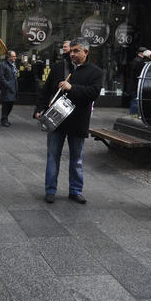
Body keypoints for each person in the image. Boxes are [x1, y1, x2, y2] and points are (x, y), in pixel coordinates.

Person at [34, 38, 103, 204]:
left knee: (77, 159)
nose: (72, 54)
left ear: (86, 52)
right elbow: (46, 90)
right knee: (52, 156)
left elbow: (92, 94)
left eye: (76, 51)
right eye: (71, 51)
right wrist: (39, 109)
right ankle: (50, 190)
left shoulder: (95, 72)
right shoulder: (59, 67)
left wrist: (72, 88)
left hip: (78, 121)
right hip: (56, 119)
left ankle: (75, 190)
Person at [0, 50, 19, 126]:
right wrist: (7, 85)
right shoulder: (3, 65)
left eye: (15, 56)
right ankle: (4, 120)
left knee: (11, 104)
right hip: (6, 89)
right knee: (6, 105)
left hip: (13, 87)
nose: (15, 58)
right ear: (8, 57)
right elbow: (1, 77)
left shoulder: (13, 64)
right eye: (13, 56)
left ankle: (5, 118)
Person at [128, 47, 151, 115]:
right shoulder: (138, 61)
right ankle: (133, 114)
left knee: (135, 99)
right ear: (141, 53)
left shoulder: (138, 61)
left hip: (135, 83)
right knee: (135, 100)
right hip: (136, 83)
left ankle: (134, 114)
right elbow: (135, 74)